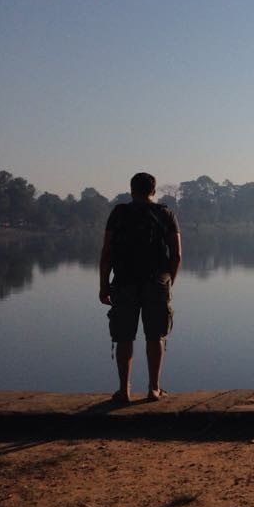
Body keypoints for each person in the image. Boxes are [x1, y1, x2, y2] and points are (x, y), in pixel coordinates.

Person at [99, 172, 181, 403]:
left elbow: (106, 253)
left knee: (124, 336)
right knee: (156, 336)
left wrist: (103, 285)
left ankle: (124, 391)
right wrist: (169, 281)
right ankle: (153, 389)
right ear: (154, 191)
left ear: (131, 190)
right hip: (157, 282)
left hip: (124, 281)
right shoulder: (165, 214)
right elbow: (177, 254)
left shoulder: (119, 214)